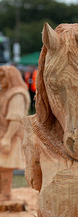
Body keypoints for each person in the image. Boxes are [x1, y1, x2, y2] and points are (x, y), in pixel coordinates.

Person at [0, 65, 30, 200]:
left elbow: (15, 119)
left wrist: (7, 138)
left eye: (3, 77)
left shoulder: (17, 94)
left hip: (9, 136)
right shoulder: (5, 92)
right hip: (2, 134)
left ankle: (5, 195)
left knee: (5, 166)